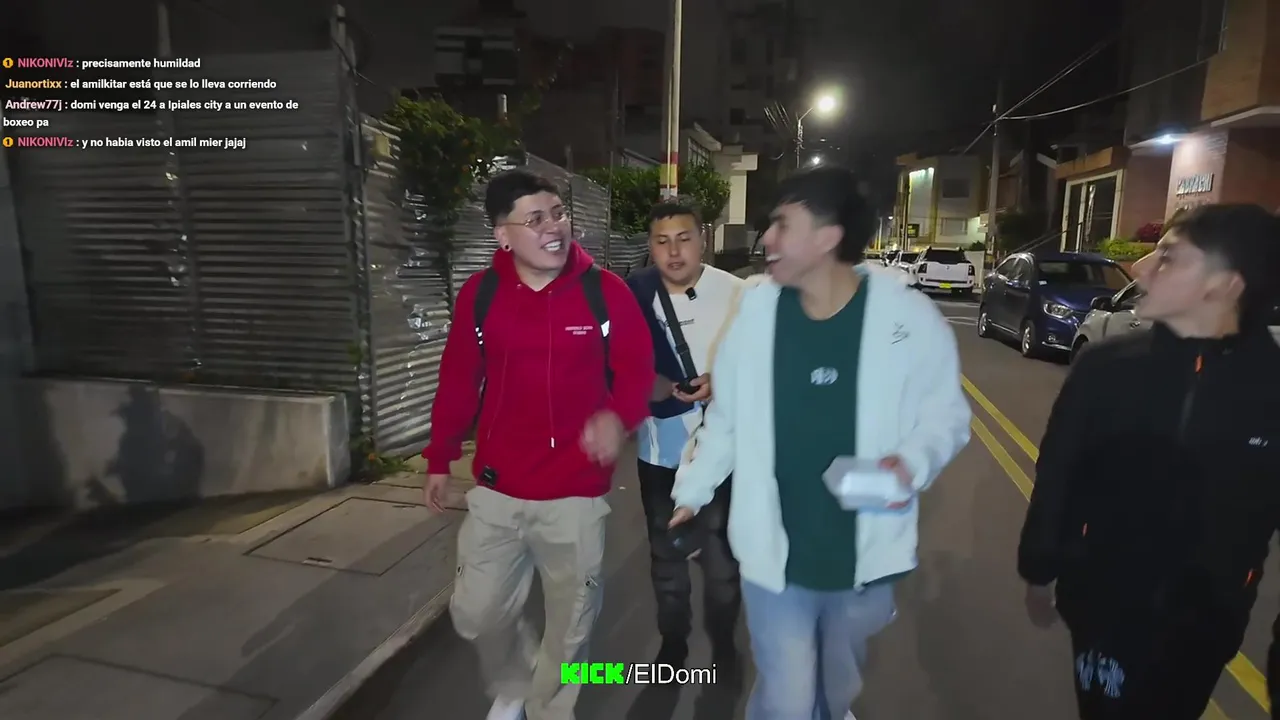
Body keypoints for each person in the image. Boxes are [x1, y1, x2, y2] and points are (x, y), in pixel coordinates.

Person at [669, 166, 972, 720]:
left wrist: (912, 461)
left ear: (828, 236)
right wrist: (694, 488)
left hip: (864, 553)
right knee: (787, 696)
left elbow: (946, 415)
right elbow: (728, 418)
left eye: (783, 225)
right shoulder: (757, 315)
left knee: (835, 690)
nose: (767, 238)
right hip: (774, 550)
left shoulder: (905, 317)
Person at [1017, 203, 1280, 719]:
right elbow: (1059, 478)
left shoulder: (1271, 388)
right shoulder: (1105, 368)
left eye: (1169, 258)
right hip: (1102, 606)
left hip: (1208, 620)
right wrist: (1040, 568)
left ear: (1225, 285)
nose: (1139, 269)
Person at [422, 169, 655, 720]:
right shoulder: (481, 296)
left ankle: (550, 708)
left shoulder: (605, 292)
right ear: (503, 235)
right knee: (475, 612)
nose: (554, 226)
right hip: (498, 486)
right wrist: (440, 457)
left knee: (571, 625)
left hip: (575, 493)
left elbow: (638, 370)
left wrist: (618, 418)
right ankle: (515, 681)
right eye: (535, 219)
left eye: (557, 213)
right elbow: (458, 379)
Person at [625, 202, 745, 670]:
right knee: (667, 558)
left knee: (722, 562)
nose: (674, 252)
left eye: (684, 239)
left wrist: (722, 380)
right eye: (662, 241)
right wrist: (652, 385)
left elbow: (759, 366)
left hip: (726, 457)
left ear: (703, 240)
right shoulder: (634, 295)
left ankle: (724, 645)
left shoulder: (737, 293)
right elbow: (614, 363)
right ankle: (672, 645)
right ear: (650, 246)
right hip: (660, 452)